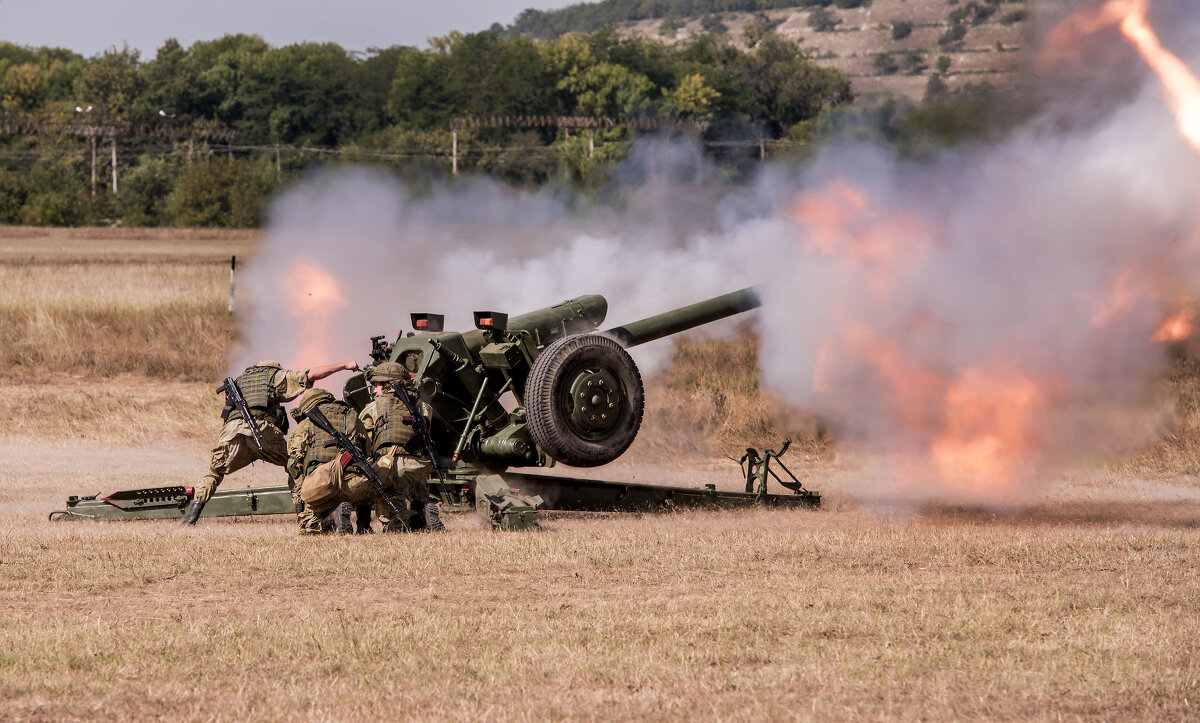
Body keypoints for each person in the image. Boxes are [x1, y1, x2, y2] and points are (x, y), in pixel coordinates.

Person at [181, 359, 359, 526]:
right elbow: (310, 375)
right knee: (294, 466)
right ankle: (304, 516)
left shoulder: (240, 380)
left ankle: (191, 517)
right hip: (262, 430)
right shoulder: (275, 376)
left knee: (214, 472)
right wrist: (343, 365)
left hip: (232, 432)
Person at [358, 362, 438, 532]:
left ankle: (413, 520)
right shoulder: (424, 407)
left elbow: (367, 443)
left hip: (393, 465)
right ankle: (420, 511)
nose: (374, 390)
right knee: (413, 479)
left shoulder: (372, 408)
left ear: (388, 384)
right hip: (421, 465)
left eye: (378, 385)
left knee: (392, 513)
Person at [287, 387, 371, 534]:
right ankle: (363, 526)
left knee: (309, 527)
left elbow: (294, 464)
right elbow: (368, 452)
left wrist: (300, 497)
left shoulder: (306, 424)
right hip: (355, 486)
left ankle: (333, 515)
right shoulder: (351, 417)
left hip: (324, 486)